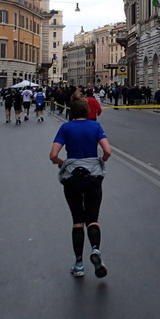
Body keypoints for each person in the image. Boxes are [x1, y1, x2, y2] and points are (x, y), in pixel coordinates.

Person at [49, 96, 112, 279]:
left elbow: (53, 155)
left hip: (73, 179)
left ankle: (78, 264)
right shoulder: (95, 127)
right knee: (92, 218)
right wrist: (101, 161)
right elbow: (107, 151)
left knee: (77, 220)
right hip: (92, 178)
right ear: (86, 111)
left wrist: (63, 163)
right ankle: (95, 250)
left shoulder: (65, 128)